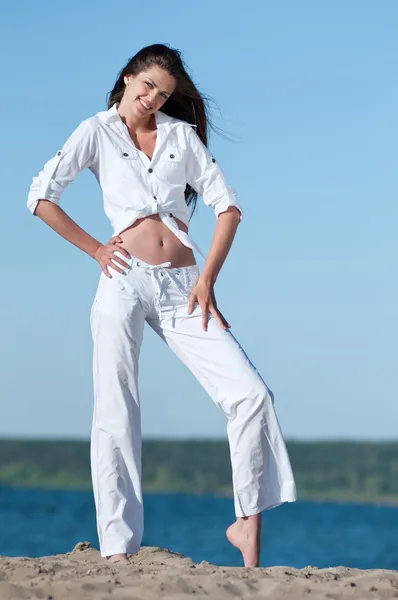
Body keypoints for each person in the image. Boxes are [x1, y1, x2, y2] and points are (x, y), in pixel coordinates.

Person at [27, 43, 296, 567]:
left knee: (251, 395)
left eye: (165, 94)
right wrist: (97, 250)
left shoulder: (181, 136)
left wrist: (208, 279)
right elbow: (41, 197)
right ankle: (117, 549)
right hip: (123, 278)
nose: (153, 99)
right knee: (116, 407)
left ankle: (246, 524)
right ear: (128, 78)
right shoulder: (95, 131)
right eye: (148, 86)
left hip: (183, 287)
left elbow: (229, 207)